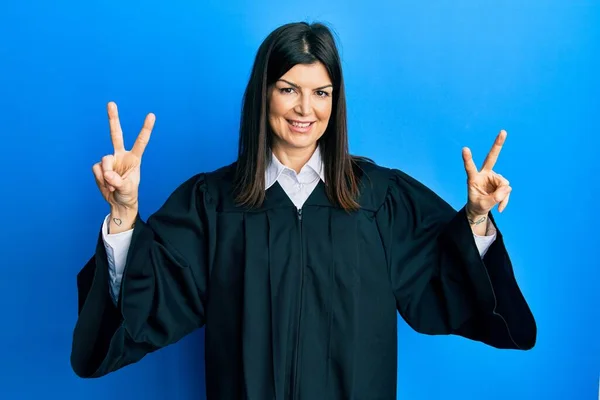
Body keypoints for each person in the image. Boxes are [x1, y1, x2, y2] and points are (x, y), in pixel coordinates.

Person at [70, 21, 536, 399]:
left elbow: (443, 283)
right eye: (289, 89)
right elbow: (149, 302)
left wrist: (475, 218)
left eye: (322, 92)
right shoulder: (213, 202)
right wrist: (124, 215)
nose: (305, 109)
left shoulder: (378, 197)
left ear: (336, 99)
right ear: (263, 94)